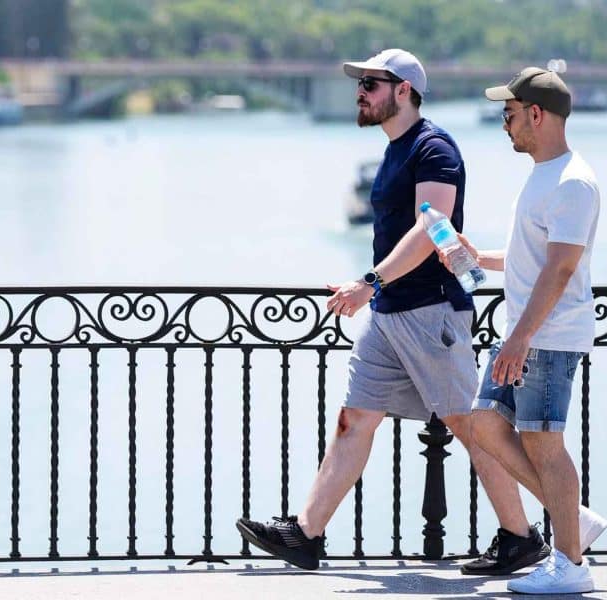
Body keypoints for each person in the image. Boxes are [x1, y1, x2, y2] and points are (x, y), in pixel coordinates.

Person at [235, 49, 550, 574]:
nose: (360, 91)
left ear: (403, 90)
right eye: (360, 83)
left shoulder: (434, 150)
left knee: (472, 429)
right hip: (390, 312)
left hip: (431, 315)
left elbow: (433, 231)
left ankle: (521, 537)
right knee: (354, 418)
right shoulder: (395, 150)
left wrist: (368, 280)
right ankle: (306, 534)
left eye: (371, 83)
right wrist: (372, 289)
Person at [441, 67, 607, 594]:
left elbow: (560, 269)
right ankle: (573, 521)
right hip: (527, 331)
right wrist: (475, 257)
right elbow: (529, 259)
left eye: (509, 114)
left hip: (546, 337)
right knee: (485, 424)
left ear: (536, 114)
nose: (504, 124)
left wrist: (519, 339)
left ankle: (570, 563)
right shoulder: (543, 176)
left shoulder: (572, 182)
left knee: (543, 444)